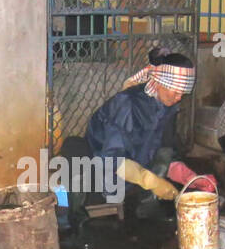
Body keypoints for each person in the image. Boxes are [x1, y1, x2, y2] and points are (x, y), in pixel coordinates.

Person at [58, 45, 196, 229]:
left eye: (182, 93)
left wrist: (181, 171)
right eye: (176, 92)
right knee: (73, 147)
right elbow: (111, 159)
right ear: (160, 82)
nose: (179, 98)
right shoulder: (127, 104)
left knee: (165, 154)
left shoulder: (167, 107)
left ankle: (146, 205)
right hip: (101, 172)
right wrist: (150, 180)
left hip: (133, 174)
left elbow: (165, 147)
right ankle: (73, 220)